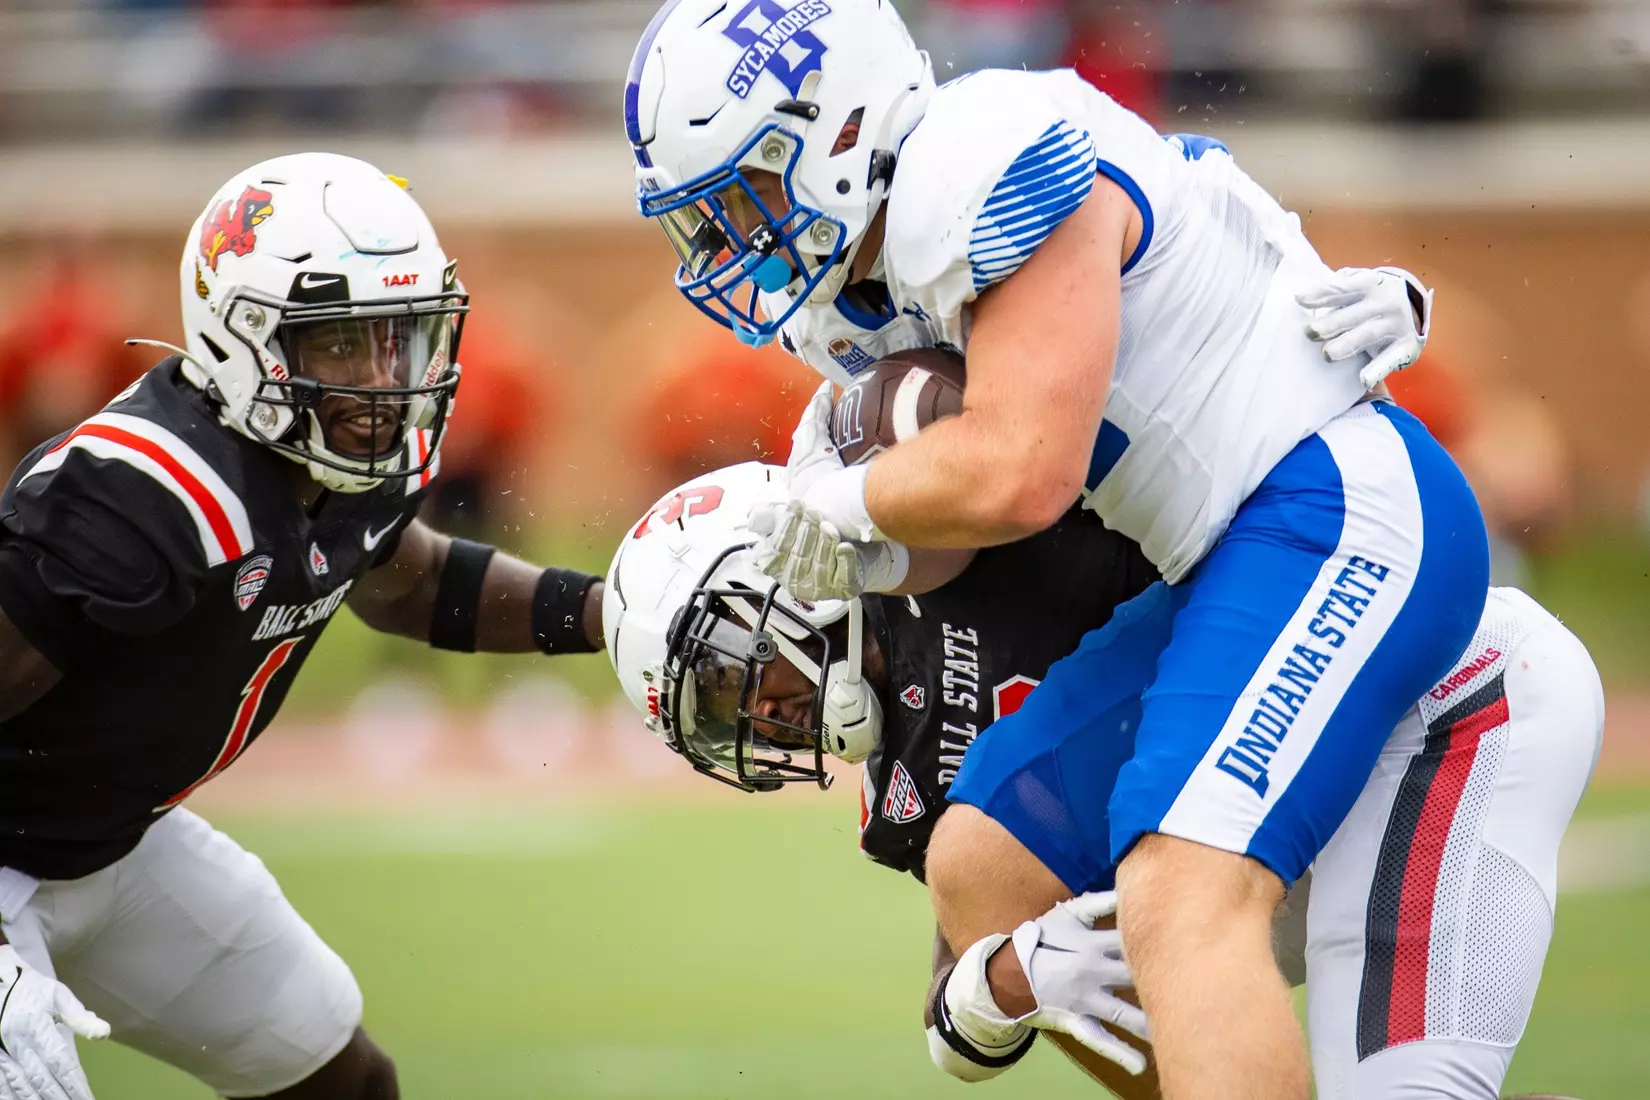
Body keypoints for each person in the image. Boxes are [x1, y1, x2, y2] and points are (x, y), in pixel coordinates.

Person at [624, 3, 1488, 1095]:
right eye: (706, 220)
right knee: (986, 863)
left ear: (836, 128)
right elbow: (1197, 191)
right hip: (1223, 557)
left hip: (1328, 504)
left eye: (743, 195)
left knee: (1180, 888)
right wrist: (974, 1006)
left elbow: (1020, 469)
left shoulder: (972, 157)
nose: (729, 244)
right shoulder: (863, 288)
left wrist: (847, 502)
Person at [604, 460, 1600, 1100]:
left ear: (789, 574)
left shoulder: (981, 525)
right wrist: (1003, 988)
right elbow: (968, 966)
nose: (755, 716)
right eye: (711, 717)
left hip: (1428, 708)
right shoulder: (903, 798)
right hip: (1273, 843)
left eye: (734, 676)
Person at [0, 153, 604, 1100]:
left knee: (339, 1079)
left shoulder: (332, 456)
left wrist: (611, 612)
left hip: (111, 844)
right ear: (244, 340)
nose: (380, 380)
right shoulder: (144, 496)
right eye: (341, 345)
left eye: (398, 339)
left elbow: (405, 583)